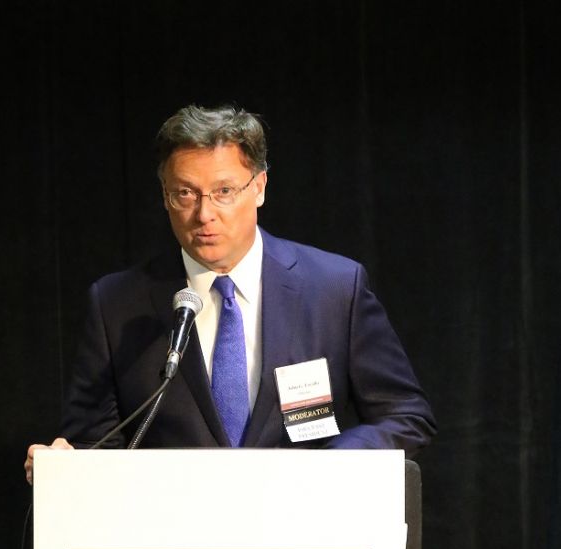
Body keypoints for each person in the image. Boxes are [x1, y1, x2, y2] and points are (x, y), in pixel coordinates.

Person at [24, 103, 435, 483]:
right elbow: (94, 446)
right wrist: (63, 465)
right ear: (165, 196)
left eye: (224, 191)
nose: (204, 214)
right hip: (173, 530)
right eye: (185, 193)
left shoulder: (333, 289)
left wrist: (327, 468)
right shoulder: (117, 305)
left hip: (303, 524)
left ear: (260, 187)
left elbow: (405, 415)